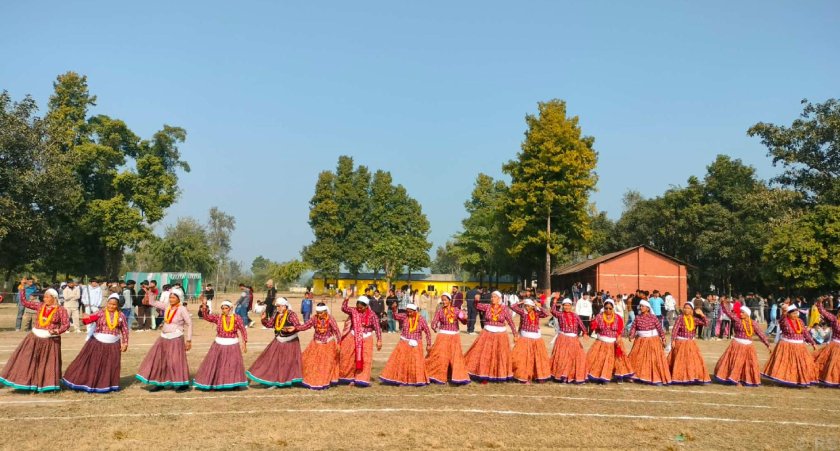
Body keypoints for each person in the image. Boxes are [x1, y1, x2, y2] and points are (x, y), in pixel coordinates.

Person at [0, 289, 69, 392]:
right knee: (27, 359)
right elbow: (24, 302)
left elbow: (66, 324)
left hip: (50, 340)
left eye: (47, 297)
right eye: (44, 297)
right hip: (34, 337)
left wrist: (57, 331)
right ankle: (25, 382)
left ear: (54, 298)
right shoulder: (40, 306)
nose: (44, 299)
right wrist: (22, 288)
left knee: (47, 363)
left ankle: (46, 385)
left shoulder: (61, 310)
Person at [62, 294, 129, 393]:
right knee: (92, 364)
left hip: (113, 344)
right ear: (107, 303)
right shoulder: (100, 313)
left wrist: (125, 343)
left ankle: (106, 385)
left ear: (117, 305)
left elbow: (125, 330)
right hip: (97, 343)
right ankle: (86, 383)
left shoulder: (121, 315)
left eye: (114, 305)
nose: (111, 306)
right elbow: (88, 320)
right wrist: (85, 317)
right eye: (109, 304)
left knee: (109, 366)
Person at [135, 288, 193, 391]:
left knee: (175, 361)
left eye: (173, 297)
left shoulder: (182, 309)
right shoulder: (167, 306)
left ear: (179, 299)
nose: (171, 299)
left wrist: (188, 340)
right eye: (170, 297)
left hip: (176, 337)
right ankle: (160, 383)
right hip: (164, 337)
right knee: (160, 360)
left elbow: (189, 323)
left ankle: (182, 383)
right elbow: (152, 302)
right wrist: (150, 292)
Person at [247, 298, 303, 387]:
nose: (277, 308)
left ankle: (283, 381)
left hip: (290, 342)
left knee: (287, 363)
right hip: (278, 340)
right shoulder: (276, 314)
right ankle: (273, 379)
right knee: (269, 360)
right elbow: (270, 324)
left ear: (284, 306)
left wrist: (293, 329)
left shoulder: (291, 314)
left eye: (279, 306)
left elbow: (298, 326)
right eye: (277, 306)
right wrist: (264, 319)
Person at [194, 300, 248, 390]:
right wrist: (204, 307)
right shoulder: (218, 317)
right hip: (219, 343)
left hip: (232, 343)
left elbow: (243, 330)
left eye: (226, 308)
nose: (224, 310)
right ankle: (216, 382)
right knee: (217, 364)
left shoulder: (237, 318)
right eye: (222, 308)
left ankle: (234, 384)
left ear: (230, 308)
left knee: (232, 365)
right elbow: (207, 317)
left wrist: (244, 342)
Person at [464, 290, 516, 383]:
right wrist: (476, 300)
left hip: (500, 335)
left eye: (495, 297)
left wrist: (515, 334)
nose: (492, 298)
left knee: (499, 356)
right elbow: (477, 306)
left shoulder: (504, 309)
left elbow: (510, 322)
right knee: (485, 355)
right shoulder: (487, 307)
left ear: (499, 299)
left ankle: (498, 375)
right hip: (487, 333)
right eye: (492, 297)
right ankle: (484, 376)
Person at [713, 303, 770, 386]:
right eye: (740, 312)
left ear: (747, 314)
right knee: (737, 363)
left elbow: (760, 334)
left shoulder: (753, 323)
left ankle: (745, 379)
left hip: (748, 347)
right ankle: (736, 380)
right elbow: (728, 313)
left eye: (743, 312)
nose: (741, 314)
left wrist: (768, 344)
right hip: (737, 344)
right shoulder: (737, 320)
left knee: (748, 364)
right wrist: (723, 304)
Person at [761, 304, 818, 387]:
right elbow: (782, 319)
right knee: (787, 364)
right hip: (787, 345)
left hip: (800, 346)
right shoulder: (784, 320)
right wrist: (784, 311)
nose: (795, 315)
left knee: (802, 364)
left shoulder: (800, 321)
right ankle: (786, 380)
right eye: (793, 313)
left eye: (796, 313)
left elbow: (805, 333)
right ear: (788, 314)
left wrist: (813, 343)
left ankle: (801, 380)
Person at [380, 303, 433, 386]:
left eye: (411, 312)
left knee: (416, 363)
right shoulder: (405, 316)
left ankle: (416, 380)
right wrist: (394, 309)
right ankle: (401, 380)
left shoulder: (421, 319)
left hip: (416, 344)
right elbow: (396, 316)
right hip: (404, 342)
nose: (409, 313)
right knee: (402, 362)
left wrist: (429, 344)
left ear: (415, 311)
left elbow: (427, 332)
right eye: (407, 312)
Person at [294, 302, 341, 390]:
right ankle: (309, 380)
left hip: (328, 344)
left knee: (325, 365)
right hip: (316, 344)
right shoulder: (314, 318)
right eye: (318, 313)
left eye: (321, 313)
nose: (319, 315)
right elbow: (305, 326)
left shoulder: (330, 319)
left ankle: (324, 381)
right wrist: (295, 328)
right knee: (309, 362)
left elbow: (337, 331)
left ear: (325, 311)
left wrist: (339, 343)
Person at [338, 295, 383, 387]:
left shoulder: (372, 314)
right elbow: (344, 308)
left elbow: (377, 328)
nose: (359, 309)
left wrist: (379, 340)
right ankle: (348, 378)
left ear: (366, 306)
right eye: (358, 307)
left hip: (366, 338)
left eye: (361, 307)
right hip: (353, 336)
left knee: (365, 359)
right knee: (349, 357)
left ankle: (361, 379)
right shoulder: (354, 311)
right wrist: (346, 298)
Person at [426, 293, 470, 385]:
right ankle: (437, 376)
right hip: (443, 336)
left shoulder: (456, 310)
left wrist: (465, 318)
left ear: (450, 300)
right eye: (442, 300)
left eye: (445, 300)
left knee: (455, 356)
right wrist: (434, 326)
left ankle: (457, 377)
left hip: (454, 336)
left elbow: (464, 321)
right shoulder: (440, 311)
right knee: (441, 356)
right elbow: (434, 321)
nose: (444, 302)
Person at [587, 299, 633, 383]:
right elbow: (593, 326)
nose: (608, 310)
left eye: (610, 308)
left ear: (613, 308)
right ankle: (600, 375)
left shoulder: (617, 317)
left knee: (617, 360)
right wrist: (593, 324)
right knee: (599, 360)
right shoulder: (599, 316)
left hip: (614, 342)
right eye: (606, 308)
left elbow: (620, 329)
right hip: (601, 342)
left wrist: (618, 338)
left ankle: (618, 376)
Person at [628, 299, 672, 385]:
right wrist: (631, 335)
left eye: (643, 306)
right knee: (637, 359)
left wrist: (663, 339)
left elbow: (659, 328)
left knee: (653, 360)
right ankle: (634, 376)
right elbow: (633, 327)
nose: (641, 307)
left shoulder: (653, 317)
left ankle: (654, 376)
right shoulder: (637, 317)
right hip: (640, 341)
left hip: (652, 340)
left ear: (648, 308)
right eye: (640, 306)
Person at [667, 302, 710, 385]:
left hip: (691, 343)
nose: (686, 310)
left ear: (692, 310)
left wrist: (702, 314)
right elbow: (675, 330)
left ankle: (692, 377)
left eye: (688, 308)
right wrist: (673, 340)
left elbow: (706, 323)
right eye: (685, 308)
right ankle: (680, 377)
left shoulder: (694, 319)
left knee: (693, 361)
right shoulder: (680, 318)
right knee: (681, 361)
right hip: (681, 343)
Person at [509, 299, 550, 383]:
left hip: (536, 338)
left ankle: (536, 375)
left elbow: (546, 314)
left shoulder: (537, 313)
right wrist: (521, 302)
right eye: (526, 306)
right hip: (525, 337)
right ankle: (523, 376)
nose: (527, 307)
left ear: (532, 307)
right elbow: (512, 306)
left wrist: (538, 306)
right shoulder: (523, 312)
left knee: (536, 358)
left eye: (529, 306)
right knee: (524, 357)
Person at [549, 298, 589, 384]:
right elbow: (552, 311)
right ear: (562, 306)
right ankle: (563, 376)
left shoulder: (575, 315)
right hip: (563, 338)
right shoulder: (560, 314)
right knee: (563, 358)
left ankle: (574, 375)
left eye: (568, 305)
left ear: (571, 306)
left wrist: (585, 332)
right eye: (565, 305)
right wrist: (554, 302)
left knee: (578, 357)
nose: (567, 307)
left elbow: (581, 324)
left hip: (574, 338)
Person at [812, 299, 840, 387]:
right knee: (831, 364)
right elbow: (823, 312)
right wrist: (820, 303)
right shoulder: (835, 320)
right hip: (835, 345)